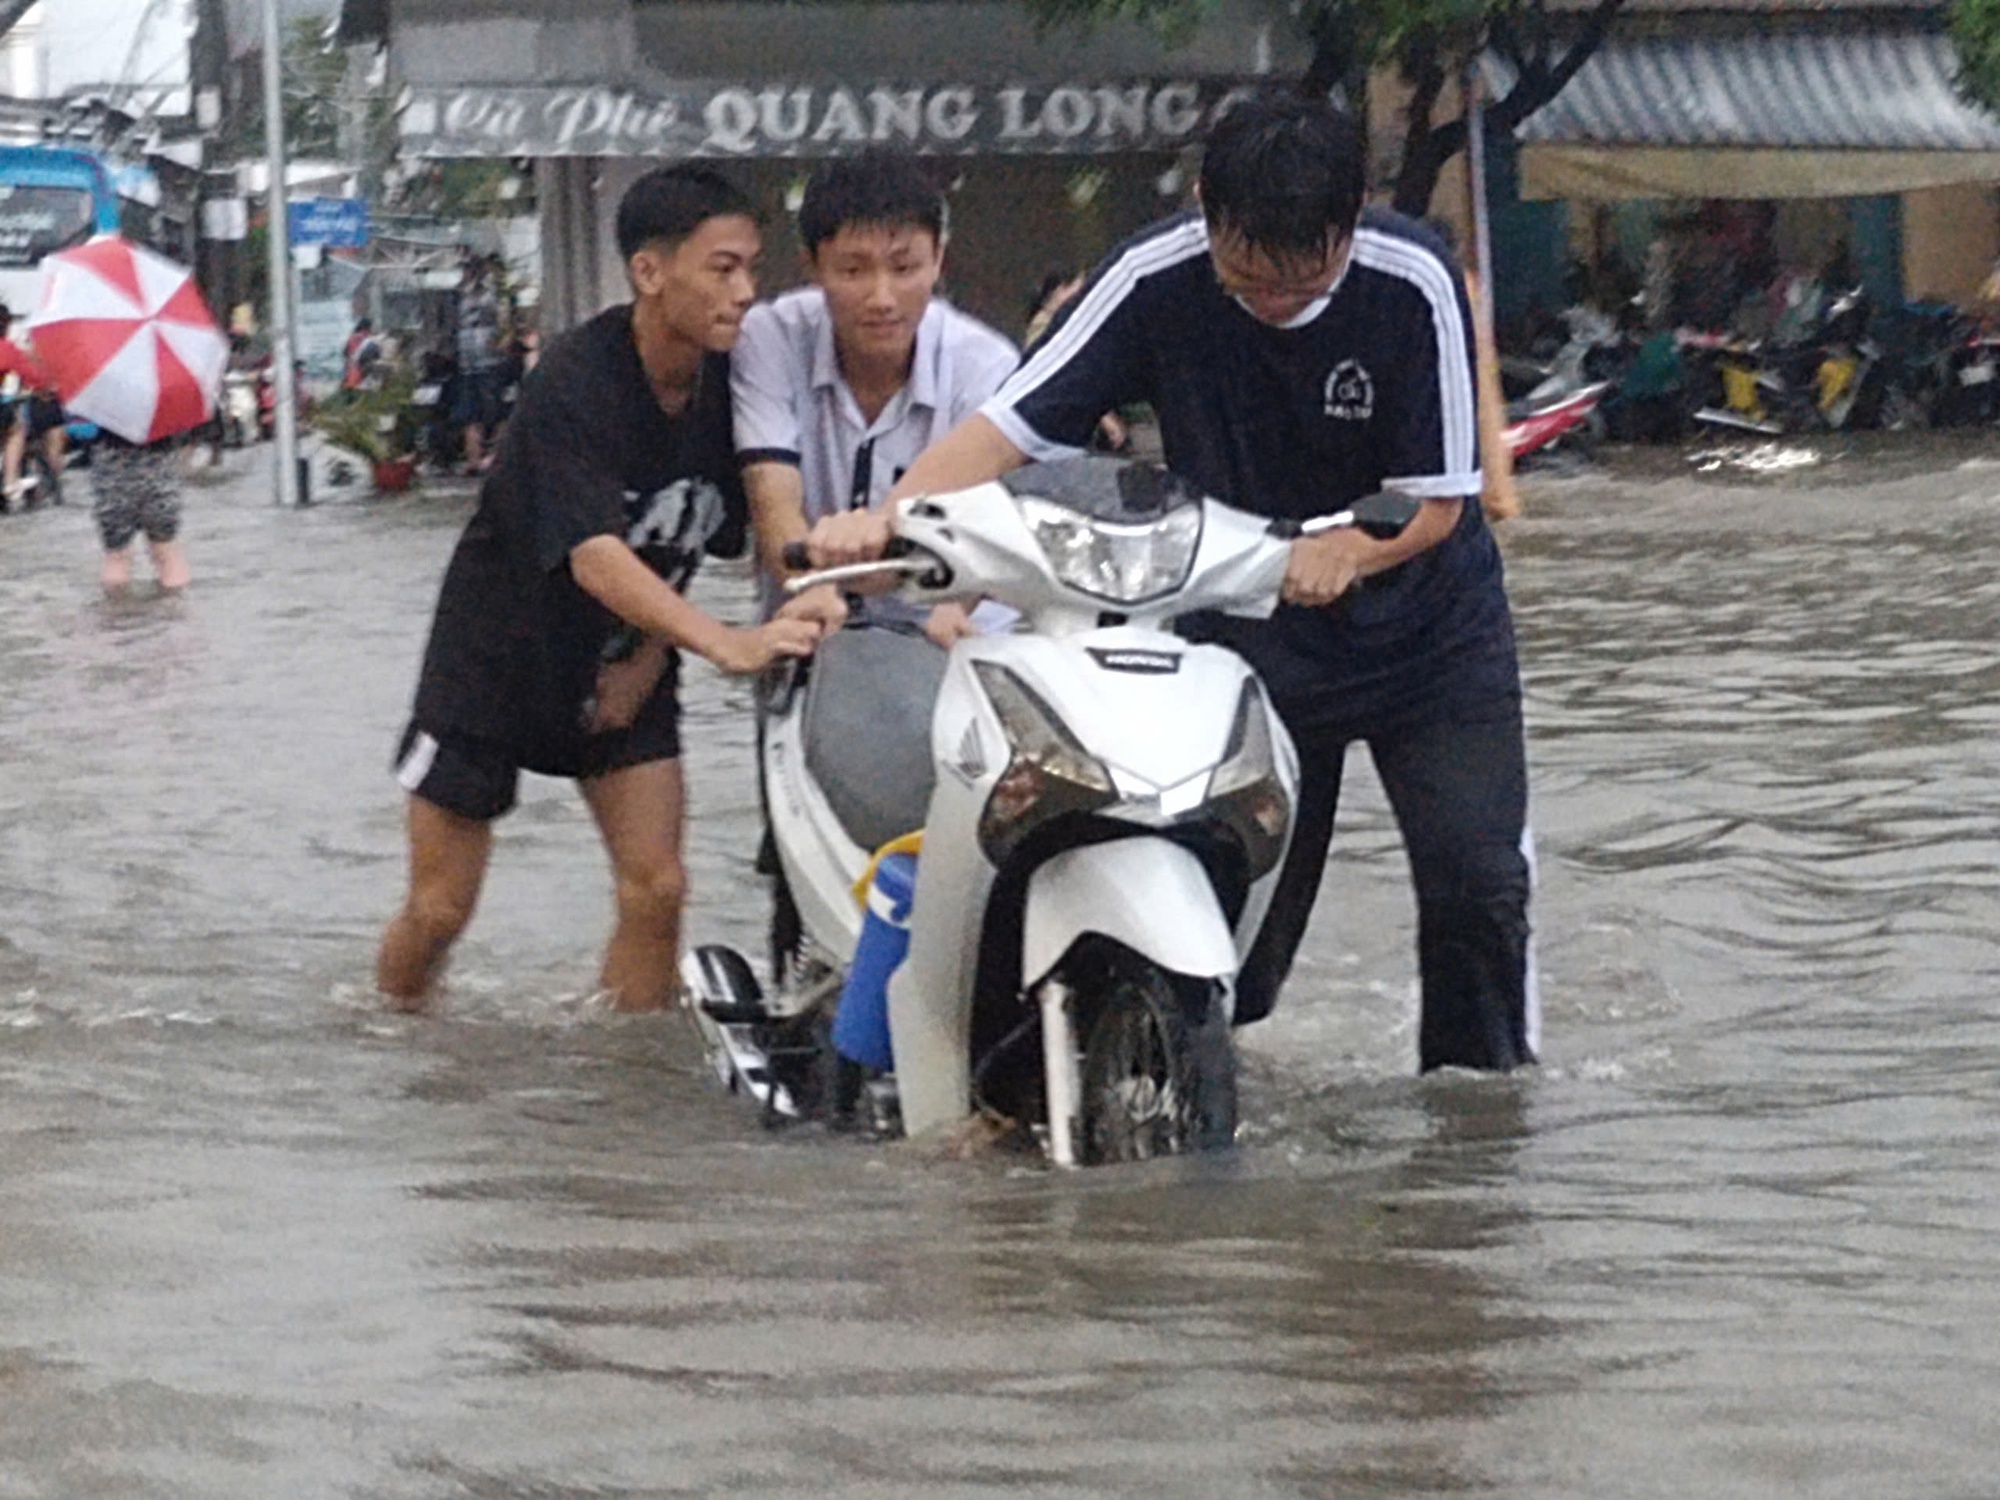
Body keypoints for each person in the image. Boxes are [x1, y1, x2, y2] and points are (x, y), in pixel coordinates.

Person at [807, 89, 1536, 1074]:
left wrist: (1346, 550)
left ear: (1351, 222)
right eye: (1244, 277)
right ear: (1203, 208)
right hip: (1250, 628)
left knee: (1476, 889)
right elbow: (1011, 430)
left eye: (1300, 278)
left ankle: (1477, 1116)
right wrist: (900, 519)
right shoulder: (1150, 277)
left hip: (1428, 638)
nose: (1270, 302)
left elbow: (1436, 503)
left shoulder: (1414, 280)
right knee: (1238, 922)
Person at [376, 166, 837, 1014]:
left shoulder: (733, 389)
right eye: (723, 268)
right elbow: (597, 556)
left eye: (752, 270)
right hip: (494, 666)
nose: (745, 293)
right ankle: (391, 1030)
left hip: (629, 664)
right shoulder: (576, 381)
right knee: (442, 909)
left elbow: (705, 540)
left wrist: (656, 651)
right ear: (650, 272)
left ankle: (623, 1088)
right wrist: (724, 641)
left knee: (657, 890)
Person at [731, 149, 1018, 646]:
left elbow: (994, 521)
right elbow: (770, 492)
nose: (882, 297)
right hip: (813, 633)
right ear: (812, 266)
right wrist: (804, 581)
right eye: (853, 270)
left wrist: (959, 600)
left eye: (905, 267)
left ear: (938, 261)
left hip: (947, 635)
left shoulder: (985, 364)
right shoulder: (770, 336)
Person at [0, 302, 61, 510]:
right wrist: (46, 386)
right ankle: (10, 481)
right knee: (17, 428)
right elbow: (34, 377)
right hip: (5, 407)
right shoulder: (7, 348)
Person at [453, 257, 509, 473]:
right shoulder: (461, 297)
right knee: (470, 414)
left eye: (469, 270)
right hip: (469, 364)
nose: (466, 275)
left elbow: (505, 324)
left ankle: (496, 456)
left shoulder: (492, 296)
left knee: (496, 413)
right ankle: (474, 460)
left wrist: (501, 344)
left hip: (491, 362)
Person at [341, 316, 382, 392]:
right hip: (359, 378)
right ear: (369, 327)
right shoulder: (370, 340)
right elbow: (377, 355)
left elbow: (345, 353)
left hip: (347, 376)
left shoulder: (351, 337)